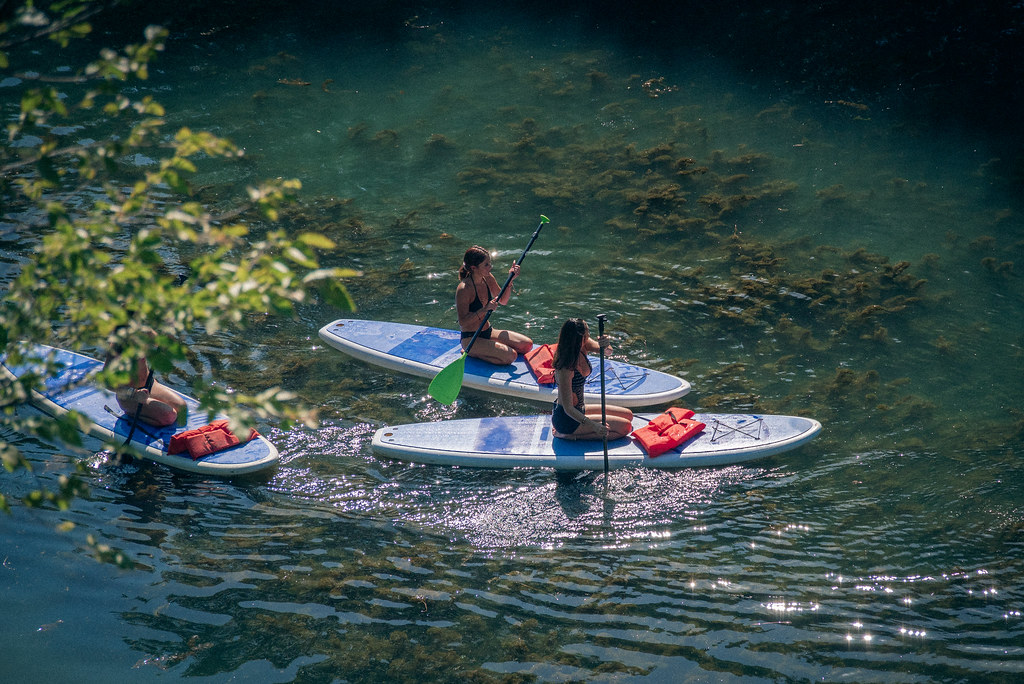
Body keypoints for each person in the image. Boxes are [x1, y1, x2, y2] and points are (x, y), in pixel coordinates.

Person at [550, 318, 633, 441]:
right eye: (587, 333)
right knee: (626, 427)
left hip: (580, 408)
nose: (589, 335)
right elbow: (568, 409)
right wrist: (593, 425)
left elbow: (608, 352)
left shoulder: (584, 344)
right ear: (579, 338)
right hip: (567, 419)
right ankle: (568, 435)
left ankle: (579, 430)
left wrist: (606, 344)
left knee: (628, 414)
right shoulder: (565, 368)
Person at [455, 245, 533, 365]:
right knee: (510, 356)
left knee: (527, 345)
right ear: (474, 268)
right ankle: (471, 351)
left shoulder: (487, 277)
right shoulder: (464, 289)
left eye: (490, 263)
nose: (490, 267)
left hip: (488, 331)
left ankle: (485, 349)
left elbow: (503, 300)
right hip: (471, 338)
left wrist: (511, 279)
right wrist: (484, 309)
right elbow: (463, 322)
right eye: (486, 265)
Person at [105, 328, 188, 428]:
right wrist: (134, 393)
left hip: (150, 385)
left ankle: (147, 409)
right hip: (131, 396)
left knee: (182, 409)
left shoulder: (144, 331)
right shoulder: (118, 345)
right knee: (170, 416)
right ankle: (131, 412)